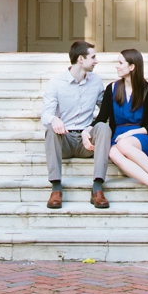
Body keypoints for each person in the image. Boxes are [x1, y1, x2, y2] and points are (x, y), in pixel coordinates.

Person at [96, 48, 148, 208]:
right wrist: (87, 131)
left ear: (132, 66)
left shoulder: (147, 90)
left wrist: (131, 132)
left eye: (120, 63)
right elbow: (102, 117)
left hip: (142, 136)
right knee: (113, 152)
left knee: (123, 145)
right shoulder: (112, 89)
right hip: (119, 137)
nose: (116, 66)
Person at [39, 40, 113, 209]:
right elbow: (46, 115)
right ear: (81, 59)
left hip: (86, 142)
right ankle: (56, 188)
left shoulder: (96, 81)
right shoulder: (56, 83)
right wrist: (54, 119)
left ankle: (97, 188)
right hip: (64, 140)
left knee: (103, 127)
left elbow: (105, 112)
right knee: (51, 127)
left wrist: (91, 127)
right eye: (93, 57)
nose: (96, 61)